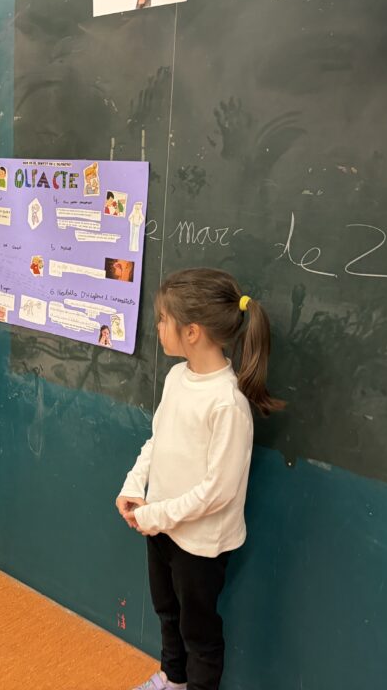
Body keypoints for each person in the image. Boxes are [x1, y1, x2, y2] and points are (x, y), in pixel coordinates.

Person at [117, 268, 283, 690]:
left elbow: (218, 492)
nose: (157, 327)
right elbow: (157, 440)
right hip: (161, 529)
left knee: (199, 632)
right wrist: (134, 486)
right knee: (167, 612)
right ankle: (172, 680)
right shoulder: (177, 377)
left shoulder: (228, 402)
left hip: (199, 543)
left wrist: (156, 516)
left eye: (163, 320)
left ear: (192, 332)